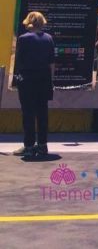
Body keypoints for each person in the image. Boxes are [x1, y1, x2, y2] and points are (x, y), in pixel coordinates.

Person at [13, 11, 55, 158]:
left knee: (28, 113)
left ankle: (29, 146)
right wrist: (51, 81)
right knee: (42, 113)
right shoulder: (49, 38)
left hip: (28, 79)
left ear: (28, 21)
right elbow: (51, 63)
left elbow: (19, 61)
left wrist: (17, 78)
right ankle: (42, 145)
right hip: (44, 79)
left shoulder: (24, 39)